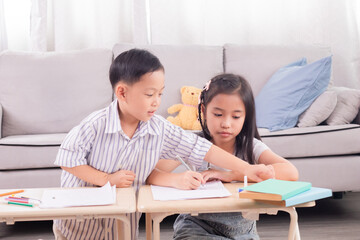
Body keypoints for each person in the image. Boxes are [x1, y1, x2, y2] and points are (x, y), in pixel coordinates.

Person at [52, 49, 274, 240]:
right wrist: (107, 180)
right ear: (122, 92)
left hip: (121, 229)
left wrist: (246, 169)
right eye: (149, 94)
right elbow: (68, 161)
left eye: (160, 93)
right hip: (77, 228)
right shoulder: (94, 125)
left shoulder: (159, 128)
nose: (157, 101)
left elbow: (203, 148)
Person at [147, 73, 299, 239]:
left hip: (243, 233)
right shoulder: (193, 144)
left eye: (235, 116)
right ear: (204, 111)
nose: (226, 123)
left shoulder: (250, 145)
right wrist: (177, 180)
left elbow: (290, 172)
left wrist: (230, 175)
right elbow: (151, 173)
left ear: (245, 116)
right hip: (196, 227)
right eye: (218, 115)